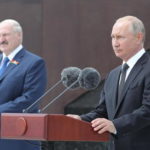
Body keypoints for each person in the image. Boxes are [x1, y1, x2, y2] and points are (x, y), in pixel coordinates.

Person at [67, 16, 150, 150]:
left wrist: (116, 125)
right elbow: (103, 111)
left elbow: (148, 110)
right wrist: (81, 120)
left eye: (120, 37)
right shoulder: (113, 74)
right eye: (113, 37)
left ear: (138, 37)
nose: (115, 43)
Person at [0, 19, 47, 150]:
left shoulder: (34, 63)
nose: (1, 39)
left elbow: (30, 100)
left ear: (19, 35)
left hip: (16, 138)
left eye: (5, 35)